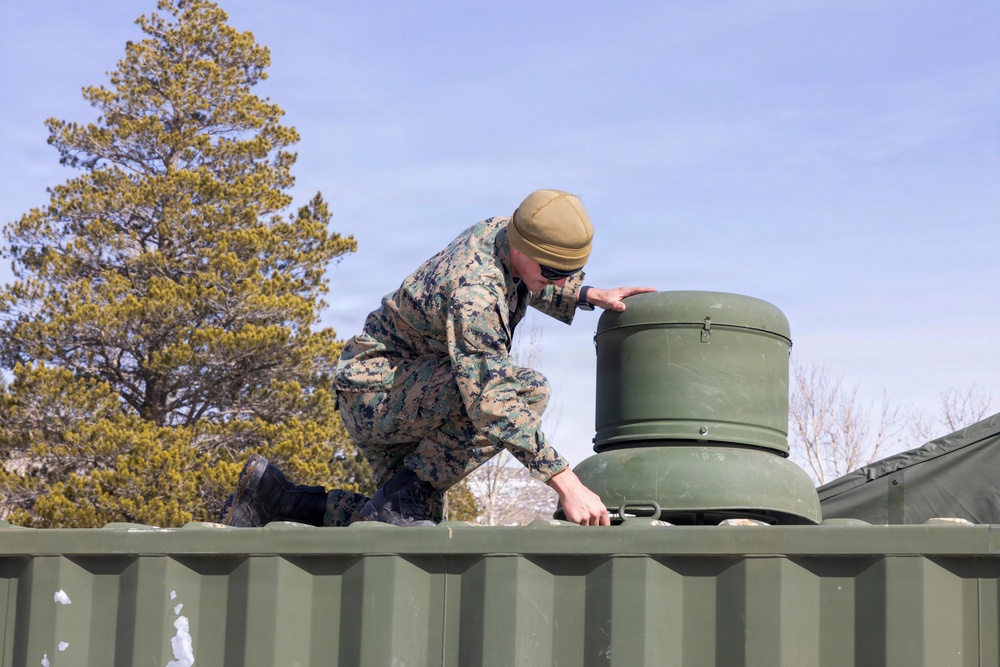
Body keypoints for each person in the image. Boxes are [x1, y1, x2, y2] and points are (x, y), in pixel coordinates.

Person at [218, 189, 655, 527]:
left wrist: (583, 293)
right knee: (525, 390)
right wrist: (568, 484)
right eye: (553, 274)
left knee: (403, 524)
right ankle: (397, 496)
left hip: (410, 393)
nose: (557, 281)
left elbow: (529, 275)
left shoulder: (506, 231)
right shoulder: (476, 293)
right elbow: (490, 399)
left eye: (569, 273)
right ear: (524, 249)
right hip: (378, 393)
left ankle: (276, 500)